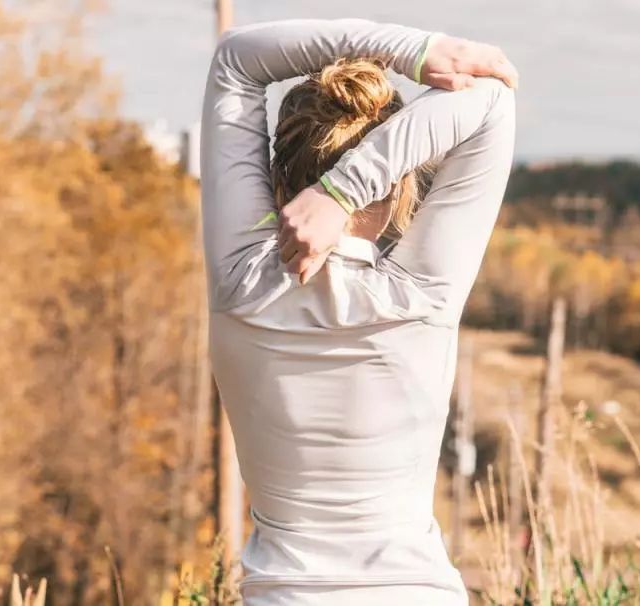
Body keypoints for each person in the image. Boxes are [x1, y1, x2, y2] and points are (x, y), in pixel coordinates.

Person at [199, 17, 518, 605]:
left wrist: (414, 51)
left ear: (276, 179)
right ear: (398, 186)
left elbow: (237, 60)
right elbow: (491, 100)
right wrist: (343, 191)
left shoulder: (239, 283)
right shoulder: (420, 296)